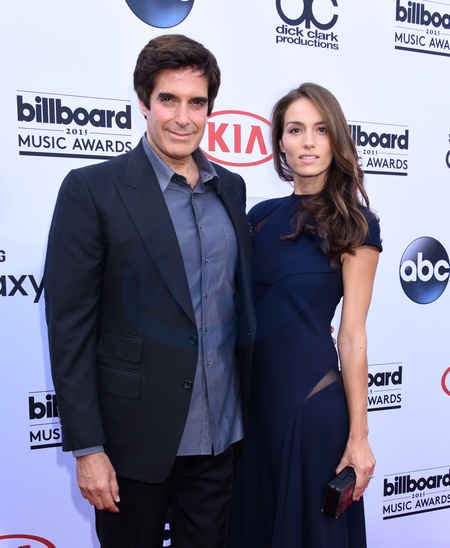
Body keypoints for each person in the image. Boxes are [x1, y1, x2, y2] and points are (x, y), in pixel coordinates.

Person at [44, 34, 255, 548]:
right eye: (168, 99)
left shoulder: (231, 188)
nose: (183, 118)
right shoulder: (92, 189)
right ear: (143, 102)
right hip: (132, 443)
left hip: (220, 435)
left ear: (210, 108)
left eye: (196, 102)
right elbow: (69, 329)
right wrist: (88, 448)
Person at [228, 83, 381, 548]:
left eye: (320, 130)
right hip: (251, 410)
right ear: (280, 141)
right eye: (295, 130)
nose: (308, 142)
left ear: (336, 139)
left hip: (310, 408)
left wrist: (359, 437)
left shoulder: (357, 225)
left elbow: (352, 336)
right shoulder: (258, 217)